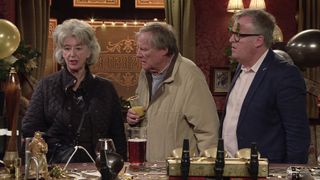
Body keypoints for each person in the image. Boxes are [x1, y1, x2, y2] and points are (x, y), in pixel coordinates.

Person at [22, 19, 127, 163]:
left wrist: (119, 169)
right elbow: (30, 129)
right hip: (57, 168)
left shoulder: (105, 88)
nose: (72, 54)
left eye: (78, 48)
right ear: (61, 52)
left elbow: (118, 137)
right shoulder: (46, 85)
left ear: (90, 51)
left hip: (96, 169)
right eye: (66, 48)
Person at [222, 9, 310, 163]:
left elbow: (297, 134)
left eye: (239, 35)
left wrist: (290, 174)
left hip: (265, 171)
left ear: (259, 40)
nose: (231, 39)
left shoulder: (285, 74)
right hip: (230, 168)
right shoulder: (240, 68)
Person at [126, 22, 220, 162]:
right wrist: (133, 119)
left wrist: (206, 170)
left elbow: (208, 130)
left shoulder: (190, 75)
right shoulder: (145, 74)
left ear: (164, 49)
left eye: (144, 49)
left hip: (179, 171)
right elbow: (147, 115)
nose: (138, 54)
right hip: (148, 169)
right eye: (138, 48)